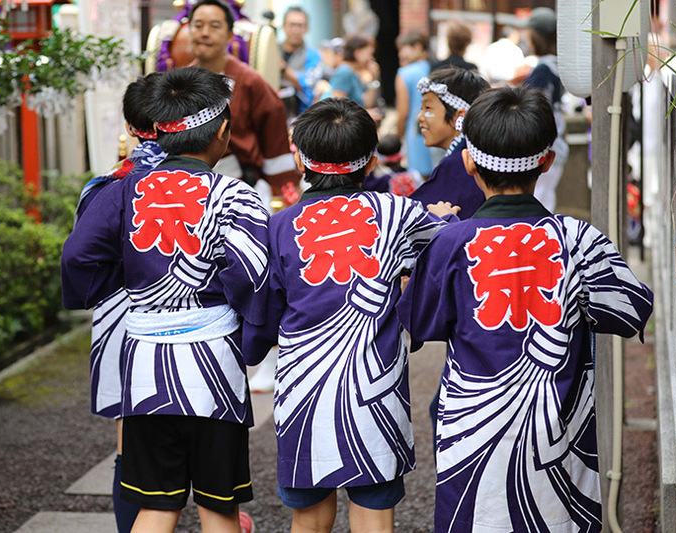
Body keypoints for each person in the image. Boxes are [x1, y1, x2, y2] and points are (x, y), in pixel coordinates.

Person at [397, 86, 654, 532]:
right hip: (560, 431)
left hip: (471, 433)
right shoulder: (577, 239)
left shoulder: (449, 242)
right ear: (547, 161)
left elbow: (418, 321)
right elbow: (631, 307)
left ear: (470, 162)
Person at [61, 67, 268, 533]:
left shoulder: (122, 189)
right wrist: (251, 337)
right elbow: (254, 276)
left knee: (157, 505)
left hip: (143, 367)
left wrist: (120, 281)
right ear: (221, 133)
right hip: (214, 365)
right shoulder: (237, 195)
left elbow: (78, 255)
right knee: (219, 507)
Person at [243, 98, 458, 533]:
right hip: (375, 395)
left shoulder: (280, 226)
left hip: (304, 396)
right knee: (374, 516)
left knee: (310, 517)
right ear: (371, 160)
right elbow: (444, 247)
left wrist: (250, 347)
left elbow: (262, 318)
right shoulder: (399, 215)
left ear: (299, 157)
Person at [72, 73, 168, 533]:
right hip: (197, 325)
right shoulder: (202, 183)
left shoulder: (109, 184)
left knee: (130, 440)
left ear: (131, 128)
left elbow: (79, 256)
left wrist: (86, 298)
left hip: (122, 318)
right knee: (202, 444)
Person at [188, 0, 300, 198]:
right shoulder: (180, 81)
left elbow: (274, 137)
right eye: (197, 25)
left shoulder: (249, 82)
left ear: (230, 35)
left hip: (241, 188)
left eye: (214, 26)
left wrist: (281, 188)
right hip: (188, 188)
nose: (204, 33)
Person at [410, 67, 490, 220]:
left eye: (428, 108)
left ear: (459, 116)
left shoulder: (458, 164)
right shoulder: (474, 155)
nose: (420, 117)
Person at [522, 7, 570, 212]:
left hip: (544, 144)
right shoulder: (559, 66)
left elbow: (532, 107)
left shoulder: (543, 69)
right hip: (557, 142)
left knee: (538, 203)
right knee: (546, 200)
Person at [395, 30, 433, 178]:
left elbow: (403, 113)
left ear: (417, 47)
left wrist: (398, 137)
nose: (399, 55)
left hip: (416, 134)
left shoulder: (404, 73)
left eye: (403, 49)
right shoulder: (436, 68)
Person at [327, 33, 383, 121]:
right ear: (357, 52)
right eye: (369, 54)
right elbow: (337, 107)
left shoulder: (355, 74)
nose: (371, 58)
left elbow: (367, 103)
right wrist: (364, 115)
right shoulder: (344, 72)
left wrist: (373, 78)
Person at [279, 5, 321, 119]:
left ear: (306, 29)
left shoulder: (313, 55)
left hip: (299, 115)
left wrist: (284, 69)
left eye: (300, 26)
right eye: (292, 25)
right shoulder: (273, 49)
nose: (295, 30)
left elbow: (307, 85)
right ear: (284, 26)